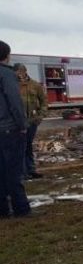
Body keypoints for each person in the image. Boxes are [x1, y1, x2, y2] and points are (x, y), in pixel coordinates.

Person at [0, 40, 31, 218]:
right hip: (9, 129)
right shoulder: (6, 74)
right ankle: (21, 208)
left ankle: (3, 209)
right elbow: (15, 103)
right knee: (14, 170)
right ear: (6, 55)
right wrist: (22, 125)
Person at [14, 63, 47, 179]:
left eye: (20, 72)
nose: (19, 74)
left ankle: (31, 169)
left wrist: (41, 116)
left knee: (28, 145)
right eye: (17, 72)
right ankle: (23, 172)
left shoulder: (35, 85)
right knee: (20, 146)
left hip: (32, 121)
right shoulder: (12, 85)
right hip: (18, 122)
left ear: (25, 71)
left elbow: (44, 101)